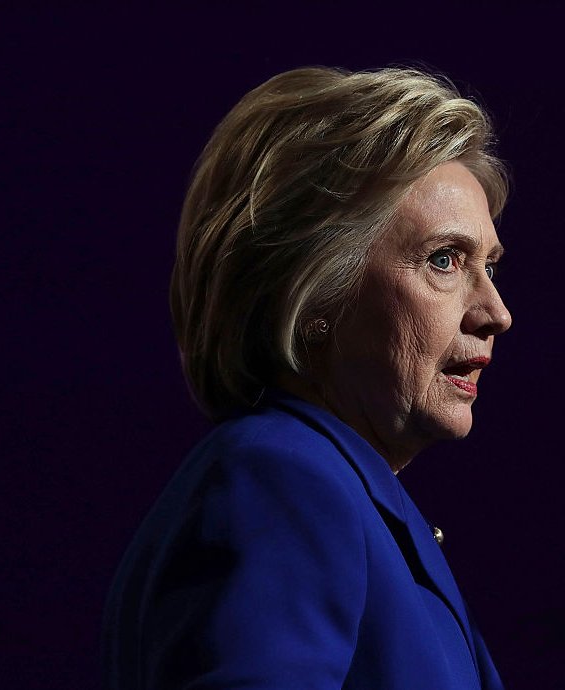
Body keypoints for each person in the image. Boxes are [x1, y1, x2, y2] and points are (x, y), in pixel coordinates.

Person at [102, 65, 512, 690]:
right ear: (315, 292)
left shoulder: (339, 493)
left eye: (489, 264)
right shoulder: (282, 481)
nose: (496, 314)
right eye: (444, 260)